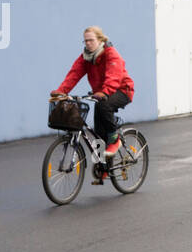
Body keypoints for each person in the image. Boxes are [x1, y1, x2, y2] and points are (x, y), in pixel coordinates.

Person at [50, 26, 135, 185]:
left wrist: (106, 91)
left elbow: (114, 75)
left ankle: (115, 139)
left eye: (91, 40)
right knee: (98, 133)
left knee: (104, 107)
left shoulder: (111, 54)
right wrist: (61, 92)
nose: (88, 43)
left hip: (122, 90)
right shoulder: (85, 58)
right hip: (101, 94)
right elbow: (74, 74)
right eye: (85, 40)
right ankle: (104, 168)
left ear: (100, 40)